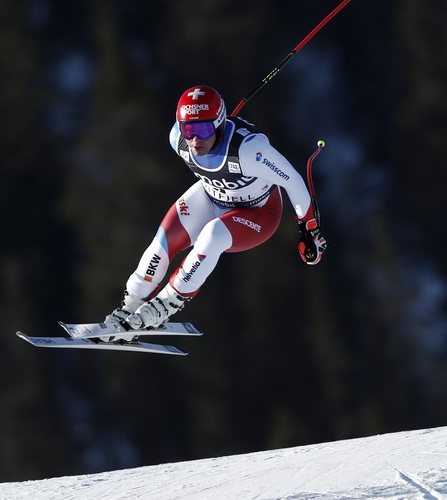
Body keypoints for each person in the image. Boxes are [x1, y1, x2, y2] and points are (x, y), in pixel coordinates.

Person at [103, 86, 326, 334]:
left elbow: (292, 180)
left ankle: (164, 305)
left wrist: (309, 231)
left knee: (212, 235)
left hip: (257, 212)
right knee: (162, 243)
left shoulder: (250, 151)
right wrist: (201, 132)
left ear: (219, 124)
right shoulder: (177, 139)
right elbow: (200, 151)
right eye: (189, 130)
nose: (195, 140)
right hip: (212, 196)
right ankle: (130, 306)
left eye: (203, 130)